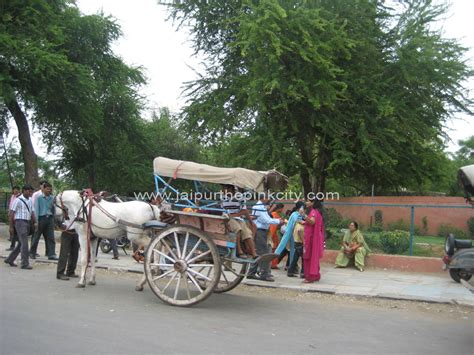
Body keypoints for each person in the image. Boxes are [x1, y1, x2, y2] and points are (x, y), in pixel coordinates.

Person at [247, 193, 283, 282]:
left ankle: (251, 272)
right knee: (265, 253)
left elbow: (267, 218)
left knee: (259, 253)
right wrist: (278, 221)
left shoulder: (261, 207)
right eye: (267, 198)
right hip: (259, 231)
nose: (268, 200)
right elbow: (266, 220)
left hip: (262, 231)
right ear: (264, 198)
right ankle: (264, 274)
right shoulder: (259, 207)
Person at [220, 185, 257, 259]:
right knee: (238, 229)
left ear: (230, 189)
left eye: (225, 188)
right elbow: (222, 211)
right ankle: (239, 251)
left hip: (238, 218)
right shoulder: (222, 197)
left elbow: (244, 211)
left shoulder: (240, 197)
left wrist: (251, 222)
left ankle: (254, 253)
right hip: (227, 218)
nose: (223, 190)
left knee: (247, 233)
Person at [4, 184, 36, 269]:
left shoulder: (30, 200)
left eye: (31, 192)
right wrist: (11, 227)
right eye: (29, 191)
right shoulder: (18, 200)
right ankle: (24, 263)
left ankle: (10, 259)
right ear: (24, 191)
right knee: (24, 243)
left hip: (28, 222)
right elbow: (11, 214)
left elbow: (32, 212)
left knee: (21, 243)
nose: (30, 193)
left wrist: (35, 222)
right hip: (20, 222)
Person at [30, 182, 57, 260]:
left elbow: (54, 209)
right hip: (41, 218)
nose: (49, 190)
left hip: (50, 218)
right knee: (36, 236)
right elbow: (36, 210)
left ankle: (51, 254)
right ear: (43, 189)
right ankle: (32, 253)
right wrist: (36, 221)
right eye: (47, 189)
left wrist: (54, 220)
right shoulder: (39, 198)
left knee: (51, 237)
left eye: (50, 189)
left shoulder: (52, 198)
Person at [275, 201, 305, 271]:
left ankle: (292, 266)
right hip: (289, 232)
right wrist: (308, 221)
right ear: (300, 208)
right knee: (281, 247)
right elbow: (299, 221)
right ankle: (272, 259)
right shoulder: (295, 214)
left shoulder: (297, 214)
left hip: (292, 234)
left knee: (292, 250)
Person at [302, 199, 325, 283]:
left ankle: (310, 276)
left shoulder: (314, 212)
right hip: (314, 237)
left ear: (313, 203)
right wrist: (304, 222)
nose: (306, 202)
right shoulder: (316, 212)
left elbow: (312, 222)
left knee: (309, 257)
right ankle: (315, 275)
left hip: (312, 239)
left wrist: (304, 215)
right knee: (313, 257)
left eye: (308, 201)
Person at [287, 207, 306, 277]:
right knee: (303, 258)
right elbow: (300, 232)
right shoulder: (300, 227)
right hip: (300, 242)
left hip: (296, 242)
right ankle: (303, 272)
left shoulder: (296, 225)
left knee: (295, 258)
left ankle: (290, 271)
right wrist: (304, 242)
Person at [268, 203, 284, 269]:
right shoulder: (274, 215)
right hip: (272, 235)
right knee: (273, 249)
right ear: (280, 208)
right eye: (282, 208)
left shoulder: (275, 215)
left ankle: (273, 264)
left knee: (274, 249)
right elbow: (273, 227)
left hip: (274, 235)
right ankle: (272, 264)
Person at [6, 185, 20, 251]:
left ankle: (17, 247)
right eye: (14, 189)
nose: (15, 191)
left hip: (17, 216)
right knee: (12, 230)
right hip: (12, 215)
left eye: (17, 189)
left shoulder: (19, 197)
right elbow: (10, 205)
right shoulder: (12, 196)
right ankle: (12, 246)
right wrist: (9, 212)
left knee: (17, 231)